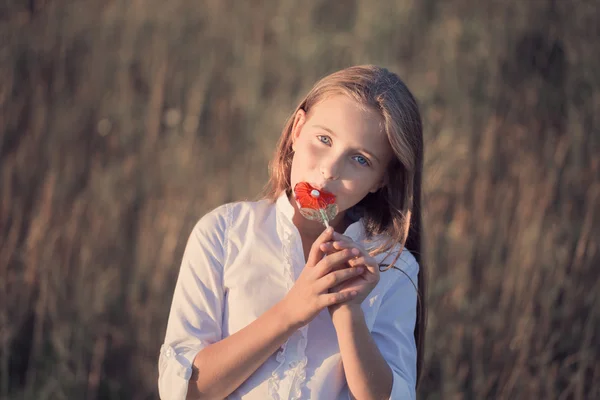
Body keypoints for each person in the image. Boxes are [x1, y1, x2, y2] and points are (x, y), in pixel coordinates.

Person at [158, 65, 426, 400]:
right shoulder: (224, 233)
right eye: (324, 139)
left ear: (382, 180)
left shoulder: (391, 265)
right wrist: (292, 311)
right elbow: (183, 392)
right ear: (298, 130)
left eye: (360, 159)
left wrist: (348, 312)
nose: (329, 169)